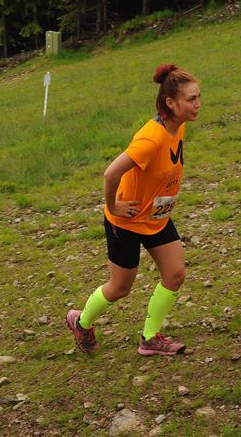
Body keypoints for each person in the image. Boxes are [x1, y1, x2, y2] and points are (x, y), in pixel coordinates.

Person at [66, 64, 200, 356]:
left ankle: (150, 337)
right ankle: (81, 321)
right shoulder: (150, 139)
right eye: (191, 99)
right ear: (170, 103)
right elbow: (111, 173)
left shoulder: (177, 127)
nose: (198, 104)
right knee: (120, 288)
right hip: (125, 222)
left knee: (175, 274)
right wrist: (113, 205)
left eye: (198, 97)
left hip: (156, 216)